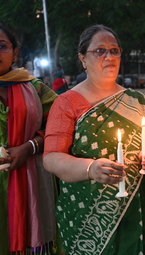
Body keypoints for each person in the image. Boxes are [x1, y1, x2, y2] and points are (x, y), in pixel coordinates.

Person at [43, 24, 145, 254]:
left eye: (114, 50)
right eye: (99, 51)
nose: (109, 56)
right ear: (83, 59)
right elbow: (51, 157)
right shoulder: (68, 103)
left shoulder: (139, 102)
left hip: (136, 211)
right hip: (87, 219)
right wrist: (90, 168)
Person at [0, 24, 60, 254]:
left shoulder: (34, 88)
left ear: (15, 53)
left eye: (2, 46)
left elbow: (61, 125)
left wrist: (29, 146)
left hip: (32, 183)